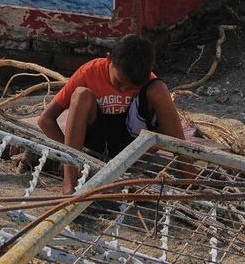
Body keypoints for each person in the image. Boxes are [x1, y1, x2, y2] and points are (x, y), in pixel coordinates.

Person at [36, 34, 184, 191]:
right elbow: (46, 120)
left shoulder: (149, 81)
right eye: (119, 82)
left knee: (159, 89)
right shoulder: (89, 72)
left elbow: (168, 129)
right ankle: (69, 183)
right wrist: (72, 157)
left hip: (132, 148)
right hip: (94, 145)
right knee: (81, 95)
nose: (123, 90)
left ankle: (190, 174)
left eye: (132, 86)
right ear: (109, 59)